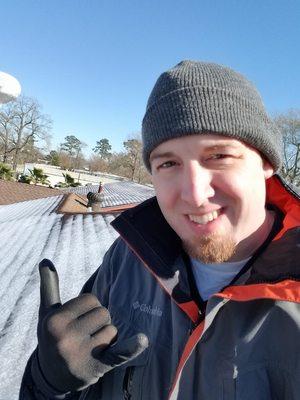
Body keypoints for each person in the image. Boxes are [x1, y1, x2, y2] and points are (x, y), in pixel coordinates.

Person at [20, 61, 300, 400]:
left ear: (267, 161)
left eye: (220, 156)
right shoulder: (127, 260)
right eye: (168, 163)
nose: (195, 195)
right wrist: (47, 384)